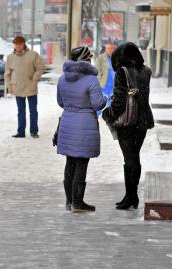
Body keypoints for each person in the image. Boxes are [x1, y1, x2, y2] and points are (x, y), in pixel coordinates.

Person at [102, 42, 154, 210]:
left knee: (129, 159)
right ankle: (131, 196)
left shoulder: (121, 72)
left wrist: (108, 114)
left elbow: (118, 101)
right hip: (143, 121)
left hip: (127, 123)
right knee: (134, 158)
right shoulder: (146, 71)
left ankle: (131, 196)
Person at [57, 46, 106, 212]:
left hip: (67, 122)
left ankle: (69, 201)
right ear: (86, 59)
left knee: (70, 162)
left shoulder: (62, 79)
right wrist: (105, 98)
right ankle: (78, 202)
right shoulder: (91, 80)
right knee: (81, 163)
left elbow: (61, 102)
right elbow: (97, 103)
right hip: (85, 124)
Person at [4, 35, 45, 138]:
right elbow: (7, 74)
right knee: (20, 111)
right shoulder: (10, 57)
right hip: (17, 87)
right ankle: (21, 132)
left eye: (20, 44)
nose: (18, 46)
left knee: (33, 111)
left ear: (24, 44)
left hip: (30, 86)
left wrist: (34, 78)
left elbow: (40, 67)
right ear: (14, 45)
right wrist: (10, 86)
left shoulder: (33, 55)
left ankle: (34, 131)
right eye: (16, 44)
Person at [95, 43, 115, 116]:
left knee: (111, 99)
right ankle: (97, 114)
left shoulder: (115, 58)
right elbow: (96, 69)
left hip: (113, 83)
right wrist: (99, 79)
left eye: (112, 48)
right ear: (106, 49)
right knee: (101, 99)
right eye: (108, 48)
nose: (110, 50)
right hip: (104, 82)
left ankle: (109, 114)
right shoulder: (100, 58)